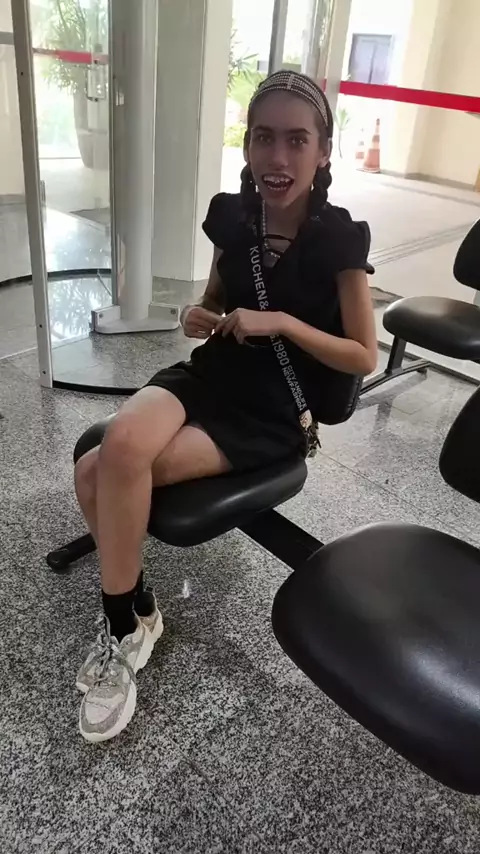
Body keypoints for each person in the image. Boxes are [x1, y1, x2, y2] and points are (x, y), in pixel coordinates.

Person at [74, 70, 377, 743]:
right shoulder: (232, 215)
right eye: (263, 137)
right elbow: (216, 296)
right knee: (117, 449)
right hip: (209, 376)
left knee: (98, 472)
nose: (278, 156)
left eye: (296, 140)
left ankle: (128, 624)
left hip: (270, 411)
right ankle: (131, 615)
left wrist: (285, 324)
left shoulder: (339, 239)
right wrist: (199, 312)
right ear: (247, 146)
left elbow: (363, 355)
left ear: (323, 152)